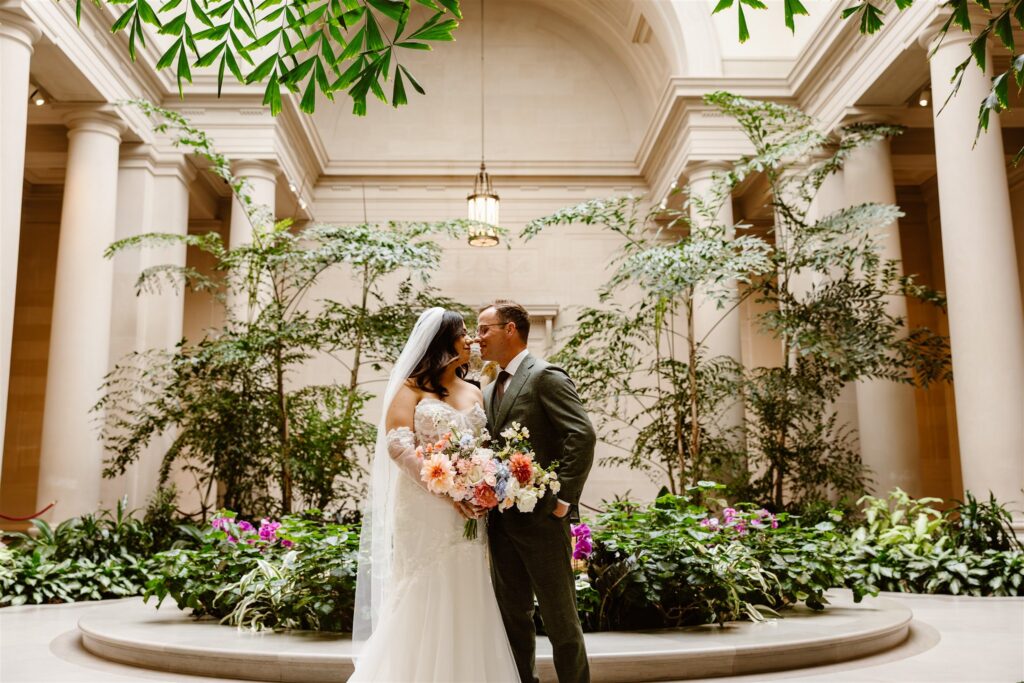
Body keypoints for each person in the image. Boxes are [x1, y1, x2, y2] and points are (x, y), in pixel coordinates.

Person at [349, 308, 519, 682]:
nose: (470, 340)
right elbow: (399, 446)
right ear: (442, 342)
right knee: (425, 589)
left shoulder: (474, 390)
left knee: (468, 589)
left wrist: (481, 486)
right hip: (424, 507)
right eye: (462, 334)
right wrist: (447, 490)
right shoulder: (410, 389)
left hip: (469, 512)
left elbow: (485, 450)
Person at [478, 300, 596, 683]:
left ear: (509, 329)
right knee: (513, 620)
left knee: (561, 621)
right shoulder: (491, 384)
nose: (477, 338)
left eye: (484, 329)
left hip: (544, 523)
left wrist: (563, 500)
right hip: (502, 524)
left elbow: (582, 434)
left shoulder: (546, 376)